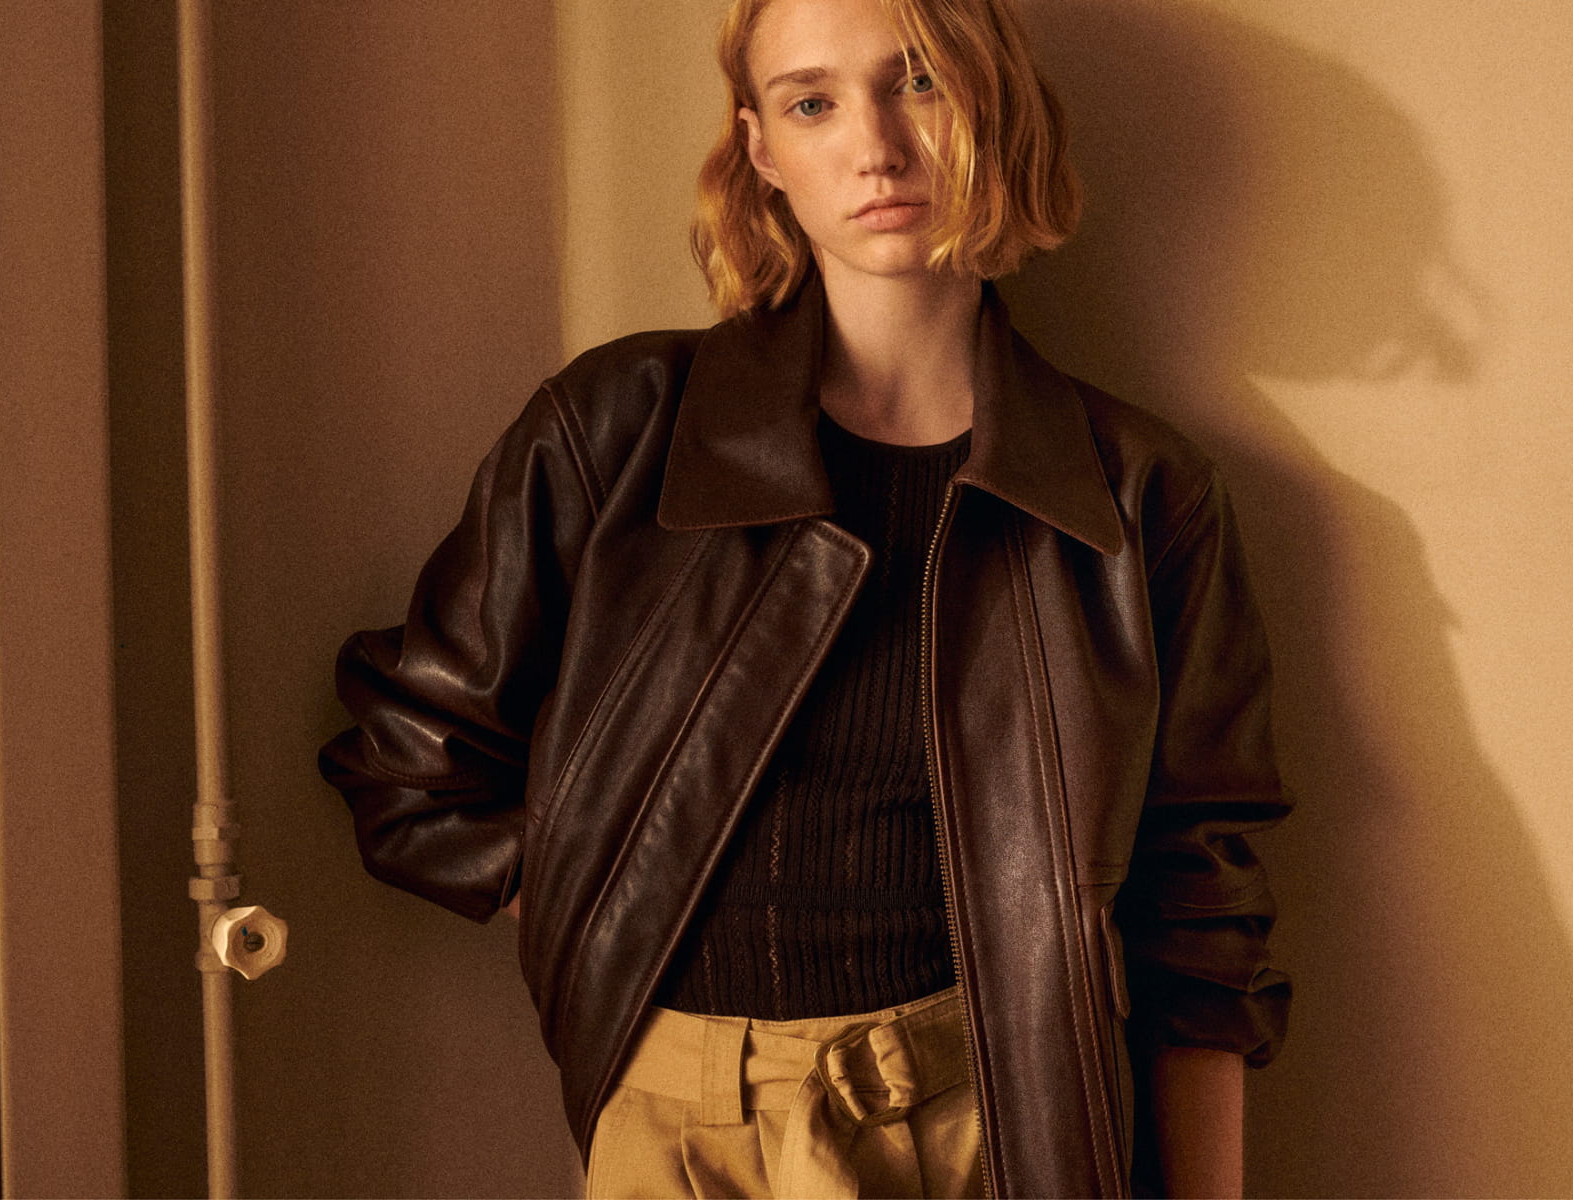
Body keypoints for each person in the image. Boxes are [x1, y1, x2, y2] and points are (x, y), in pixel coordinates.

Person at [319, 0, 1291, 1195]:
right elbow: (407, 757)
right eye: (813, 102)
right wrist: (597, 893)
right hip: (675, 1128)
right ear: (762, 150)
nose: (875, 146)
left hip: (986, 1127)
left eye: (917, 82)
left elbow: (1200, 918)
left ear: (991, 101)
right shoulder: (616, 428)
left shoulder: (1137, 494)